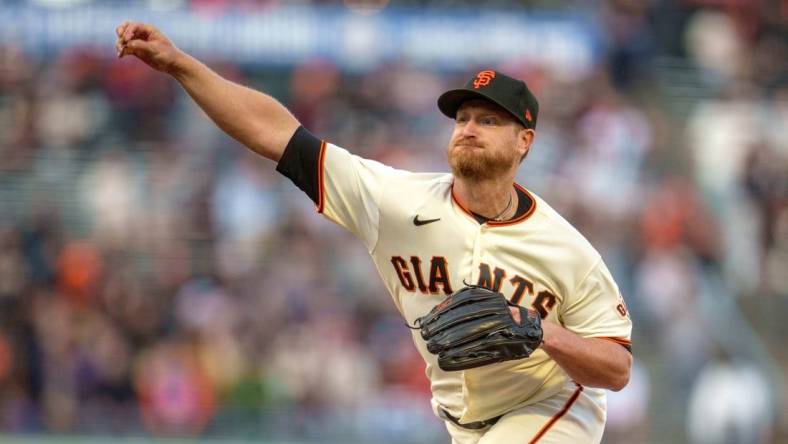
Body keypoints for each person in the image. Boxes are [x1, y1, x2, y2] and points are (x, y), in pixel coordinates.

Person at [115, 21, 633, 444]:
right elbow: (279, 136)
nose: (469, 128)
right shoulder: (396, 201)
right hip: (463, 424)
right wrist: (181, 65)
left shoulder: (566, 249)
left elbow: (616, 368)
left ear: (525, 141)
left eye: (488, 121)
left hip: (552, 406)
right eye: (463, 117)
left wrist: (541, 329)